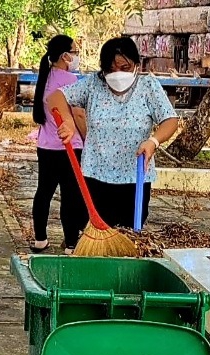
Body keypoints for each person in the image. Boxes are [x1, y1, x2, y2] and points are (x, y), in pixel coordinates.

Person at [47, 36, 178, 229]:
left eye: (124, 68)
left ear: (136, 65)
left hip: (135, 177)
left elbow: (170, 120)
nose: (117, 74)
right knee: (95, 232)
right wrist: (68, 121)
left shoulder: (148, 86)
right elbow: (56, 97)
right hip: (96, 176)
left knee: (130, 233)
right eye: (110, 69)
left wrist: (154, 141)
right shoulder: (93, 84)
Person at [30, 35, 88, 254]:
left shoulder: (44, 77)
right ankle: (71, 243)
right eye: (75, 52)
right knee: (70, 195)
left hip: (45, 146)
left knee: (43, 192)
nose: (77, 56)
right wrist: (87, 138)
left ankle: (40, 239)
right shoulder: (70, 81)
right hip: (69, 146)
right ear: (65, 56)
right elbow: (78, 115)